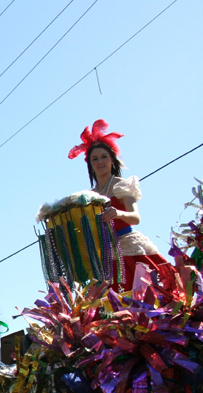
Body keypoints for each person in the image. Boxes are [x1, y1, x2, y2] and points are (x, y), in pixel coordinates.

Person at [68, 119, 176, 291]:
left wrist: (118, 213)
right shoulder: (88, 196)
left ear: (112, 160)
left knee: (144, 296)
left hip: (128, 249)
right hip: (103, 255)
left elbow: (135, 217)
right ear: (90, 163)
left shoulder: (121, 184)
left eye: (104, 157)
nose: (100, 162)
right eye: (95, 158)